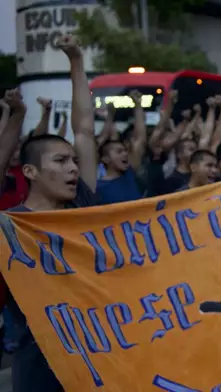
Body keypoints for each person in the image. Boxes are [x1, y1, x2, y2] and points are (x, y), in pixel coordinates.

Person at [0, 34, 98, 392]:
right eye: (60, 161)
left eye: (74, 161)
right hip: (37, 361)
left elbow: (84, 129)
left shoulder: (82, 205)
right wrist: (17, 118)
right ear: (30, 172)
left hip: (97, 351)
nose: (74, 168)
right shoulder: (11, 224)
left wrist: (76, 60)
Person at [96, 90, 147, 204]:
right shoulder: (97, 188)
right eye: (119, 152)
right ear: (105, 159)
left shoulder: (129, 173)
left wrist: (138, 106)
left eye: (125, 150)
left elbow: (140, 139)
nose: (125, 154)